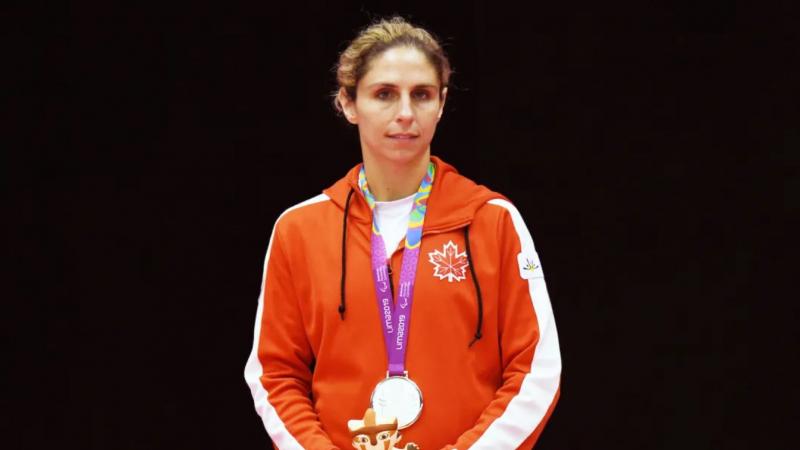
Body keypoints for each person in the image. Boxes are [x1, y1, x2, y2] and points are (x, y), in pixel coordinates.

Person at [244, 16, 561, 450]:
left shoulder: (492, 220)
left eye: (422, 95)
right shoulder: (299, 229)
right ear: (349, 103)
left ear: (442, 104)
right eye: (385, 95)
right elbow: (274, 373)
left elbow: (537, 370)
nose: (406, 113)